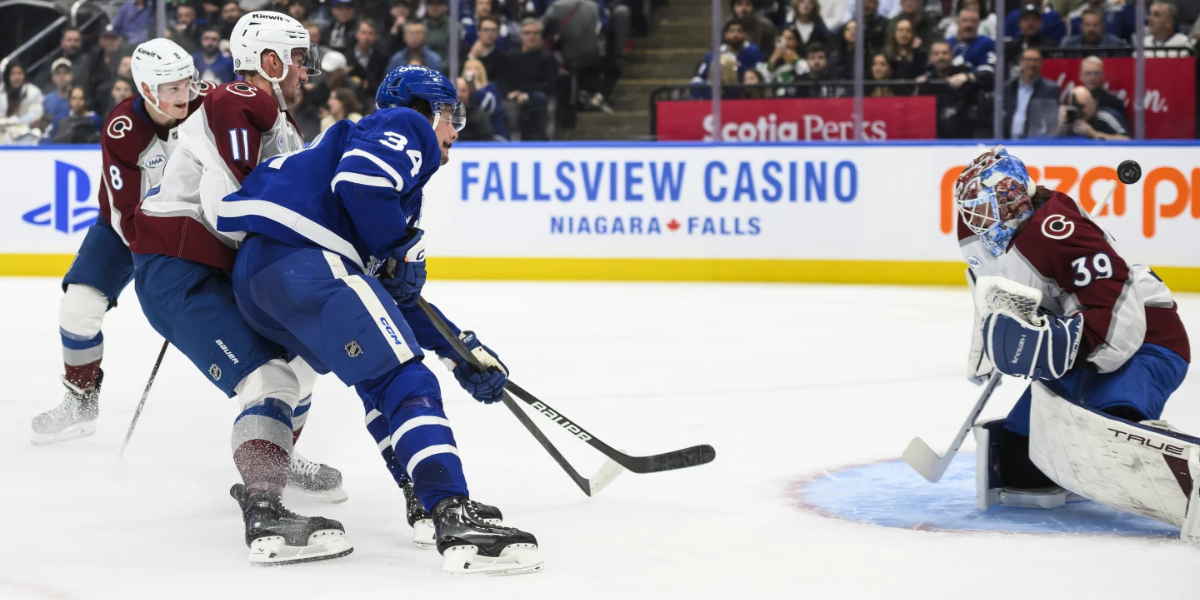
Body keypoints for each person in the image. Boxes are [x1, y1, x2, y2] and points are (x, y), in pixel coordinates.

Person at [215, 64, 542, 575]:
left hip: (264, 278)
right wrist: (403, 247)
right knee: (405, 377)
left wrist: (459, 351)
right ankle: (451, 512)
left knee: (378, 377)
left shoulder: (365, 178)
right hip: (306, 259)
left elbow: (393, 300)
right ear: (420, 110)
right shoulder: (402, 127)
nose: (455, 130)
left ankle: (422, 496)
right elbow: (361, 183)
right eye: (450, 114)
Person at [135, 13, 350, 564]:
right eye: (299, 58)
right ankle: (265, 512)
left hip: (217, 269)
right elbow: (228, 212)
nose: (307, 69)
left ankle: (274, 454)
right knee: (271, 379)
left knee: (302, 364)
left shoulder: (277, 120)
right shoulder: (241, 100)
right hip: (181, 269)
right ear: (271, 62)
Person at [953, 146, 1188, 510]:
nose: (977, 220)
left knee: (1113, 436)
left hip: (1145, 343)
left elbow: (1117, 310)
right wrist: (997, 340)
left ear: (1013, 199)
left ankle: (1152, 443)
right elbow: (994, 296)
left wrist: (1065, 347)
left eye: (984, 209)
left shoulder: (1058, 231)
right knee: (1019, 465)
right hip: (1074, 348)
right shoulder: (977, 237)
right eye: (972, 211)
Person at [498, 19, 555, 139]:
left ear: (540, 36)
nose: (531, 37)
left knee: (539, 99)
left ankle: (540, 143)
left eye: (535, 33)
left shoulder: (548, 58)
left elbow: (550, 83)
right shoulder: (510, 56)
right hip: (512, 97)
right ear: (521, 36)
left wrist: (527, 94)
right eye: (527, 33)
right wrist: (510, 93)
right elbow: (502, 79)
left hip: (535, 97)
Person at [918, 40, 985, 138]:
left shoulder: (964, 71)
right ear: (931, 58)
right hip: (936, 140)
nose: (941, 57)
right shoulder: (927, 82)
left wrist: (968, 77)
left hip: (965, 138)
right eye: (936, 54)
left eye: (945, 53)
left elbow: (988, 77)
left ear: (952, 55)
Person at [1004, 48, 1058, 138]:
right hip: (1008, 141)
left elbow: (1050, 123)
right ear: (1021, 63)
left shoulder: (1050, 89)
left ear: (1041, 64)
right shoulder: (1009, 87)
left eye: (1035, 60)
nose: (1031, 64)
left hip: (1033, 143)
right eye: (1028, 60)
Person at [693, 19, 765, 84]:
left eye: (739, 31)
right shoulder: (714, 53)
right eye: (731, 31)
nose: (735, 35)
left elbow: (760, 76)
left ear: (745, 34)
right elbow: (699, 78)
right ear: (725, 35)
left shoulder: (754, 51)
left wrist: (740, 68)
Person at [463, 57, 510, 140]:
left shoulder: (491, 88)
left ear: (481, 71)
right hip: (468, 133)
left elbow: (487, 108)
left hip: (493, 131)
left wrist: (476, 86)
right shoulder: (460, 91)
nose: (472, 72)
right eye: (469, 68)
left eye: (476, 68)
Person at [1059, 84, 1129, 140]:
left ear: (1093, 104)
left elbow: (1127, 140)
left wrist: (1094, 134)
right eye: (1074, 107)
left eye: (1081, 107)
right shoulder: (1067, 116)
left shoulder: (1106, 117)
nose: (1078, 111)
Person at [948, 6, 995, 86]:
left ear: (979, 23)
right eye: (965, 21)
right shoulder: (948, 43)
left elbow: (989, 71)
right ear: (958, 23)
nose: (969, 25)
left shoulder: (987, 43)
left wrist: (968, 77)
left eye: (973, 21)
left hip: (975, 90)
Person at [1005, 4, 1054, 69]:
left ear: (1040, 23)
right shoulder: (1011, 47)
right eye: (1026, 19)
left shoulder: (1050, 46)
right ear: (1020, 23)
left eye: (1034, 19)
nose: (1030, 23)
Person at [1061, 7, 1128, 55]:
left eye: (1095, 25)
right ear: (1081, 27)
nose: (1091, 29)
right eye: (1087, 25)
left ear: (1102, 26)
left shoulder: (1116, 45)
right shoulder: (1069, 46)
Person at [351, 19, 390, 96]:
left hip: (373, 96)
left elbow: (384, 84)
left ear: (375, 37)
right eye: (363, 33)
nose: (367, 37)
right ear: (356, 34)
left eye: (370, 33)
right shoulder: (348, 56)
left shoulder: (382, 58)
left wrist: (370, 85)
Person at [1, 62, 45, 130]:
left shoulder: (33, 92)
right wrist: (7, 122)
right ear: (8, 76)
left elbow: (35, 115)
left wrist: (15, 121)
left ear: (24, 75)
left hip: (27, 133)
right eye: (13, 74)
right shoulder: (2, 92)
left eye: (19, 73)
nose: (16, 77)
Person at [466, 15, 509, 81]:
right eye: (486, 30)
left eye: (493, 30)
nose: (490, 34)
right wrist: (471, 56)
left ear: (498, 33)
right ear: (478, 32)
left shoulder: (501, 58)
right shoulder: (465, 51)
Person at [455, 75, 496, 140]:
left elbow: (486, 142)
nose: (459, 94)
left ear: (469, 92)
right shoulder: (441, 116)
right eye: (455, 90)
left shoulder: (480, 116)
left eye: (463, 91)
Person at [41, 58, 75, 130]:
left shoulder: (79, 98)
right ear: (53, 77)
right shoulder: (47, 100)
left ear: (71, 75)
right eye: (58, 73)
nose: (62, 77)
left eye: (66, 72)